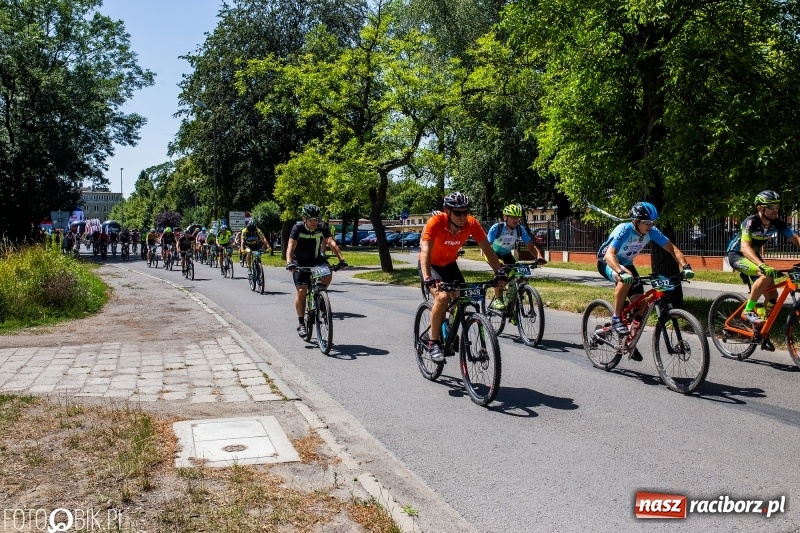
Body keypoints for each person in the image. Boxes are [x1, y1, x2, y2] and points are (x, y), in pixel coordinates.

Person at [596, 201, 695, 357]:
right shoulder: (625, 229)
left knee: (641, 304)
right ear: (636, 221)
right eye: (646, 222)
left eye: (652, 222)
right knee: (625, 278)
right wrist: (621, 272)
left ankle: (629, 339)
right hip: (607, 261)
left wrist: (685, 266)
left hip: (627, 264)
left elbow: (672, 249)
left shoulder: (652, 231)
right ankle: (616, 318)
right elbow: (609, 254)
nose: (650, 225)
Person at [419, 192, 507, 363]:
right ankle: (433, 342)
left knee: (461, 299)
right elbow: (425, 252)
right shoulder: (436, 222)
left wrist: (499, 272)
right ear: (447, 211)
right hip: (431, 265)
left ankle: (450, 330)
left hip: (450, 265)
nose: (462, 216)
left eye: (465, 212)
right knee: (442, 297)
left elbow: (488, 250)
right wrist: (428, 277)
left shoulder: (471, 224)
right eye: (458, 212)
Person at [727, 190, 800, 327]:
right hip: (737, 255)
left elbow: (796, 240)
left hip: (753, 256)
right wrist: (762, 265)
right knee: (766, 274)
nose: (775, 210)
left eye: (777, 207)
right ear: (760, 208)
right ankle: (747, 310)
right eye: (771, 207)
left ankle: (761, 325)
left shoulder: (777, 223)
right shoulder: (750, 222)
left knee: (772, 296)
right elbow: (744, 247)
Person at [285, 204, 347, 337]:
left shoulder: (321, 228)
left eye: (316, 219)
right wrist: (289, 262)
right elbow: (290, 246)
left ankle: (320, 294)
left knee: (328, 272)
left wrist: (342, 259)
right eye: (311, 219)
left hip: (315, 259)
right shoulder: (298, 228)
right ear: (304, 219)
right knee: (301, 290)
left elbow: (331, 243)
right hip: (299, 262)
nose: (314, 222)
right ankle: (301, 323)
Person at [485, 204, 547, 309]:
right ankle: (498, 299)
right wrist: (496, 262)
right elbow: (487, 247)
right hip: (492, 254)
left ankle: (511, 308)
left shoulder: (519, 229)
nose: (516, 220)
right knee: (501, 274)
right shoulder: (497, 228)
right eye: (513, 217)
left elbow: (531, 246)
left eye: (518, 218)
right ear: (505, 217)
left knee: (519, 277)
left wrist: (539, 257)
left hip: (507, 255)